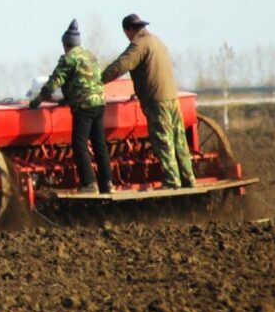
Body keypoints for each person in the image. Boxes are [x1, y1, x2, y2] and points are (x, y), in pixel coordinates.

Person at [101, 14, 196, 189]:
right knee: (179, 140)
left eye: (126, 33)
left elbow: (121, 66)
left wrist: (98, 81)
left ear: (129, 29)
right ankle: (189, 179)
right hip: (172, 98)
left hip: (156, 100)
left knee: (163, 140)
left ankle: (171, 181)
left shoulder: (139, 44)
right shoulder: (157, 42)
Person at [29, 19, 113, 194]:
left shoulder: (69, 58)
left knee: (79, 144)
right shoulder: (91, 56)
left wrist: (37, 100)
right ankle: (107, 184)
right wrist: (66, 100)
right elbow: (85, 81)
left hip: (84, 106)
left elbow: (55, 82)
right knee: (99, 144)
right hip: (99, 103)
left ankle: (89, 184)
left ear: (66, 44)